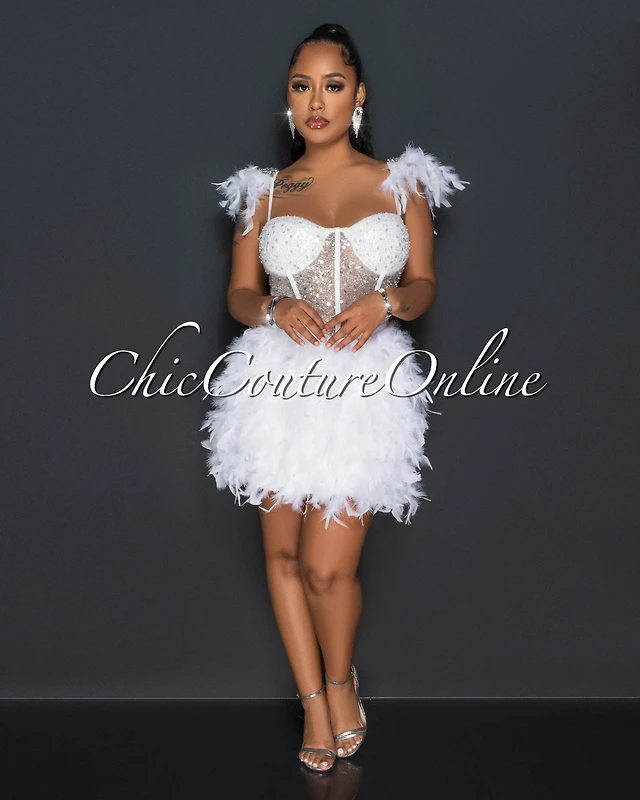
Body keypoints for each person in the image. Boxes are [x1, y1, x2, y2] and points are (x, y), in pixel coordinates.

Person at [201, 23, 467, 772]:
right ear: (288, 100)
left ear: (358, 96)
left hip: (363, 385)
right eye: (302, 86)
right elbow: (239, 293)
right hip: (274, 382)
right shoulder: (263, 192)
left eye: (332, 85)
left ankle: (341, 679)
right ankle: (314, 703)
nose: (316, 101)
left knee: (327, 569)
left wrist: (385, 303)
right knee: (283, 555)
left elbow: (423, 284)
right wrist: (272, 307)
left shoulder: (401, 184)